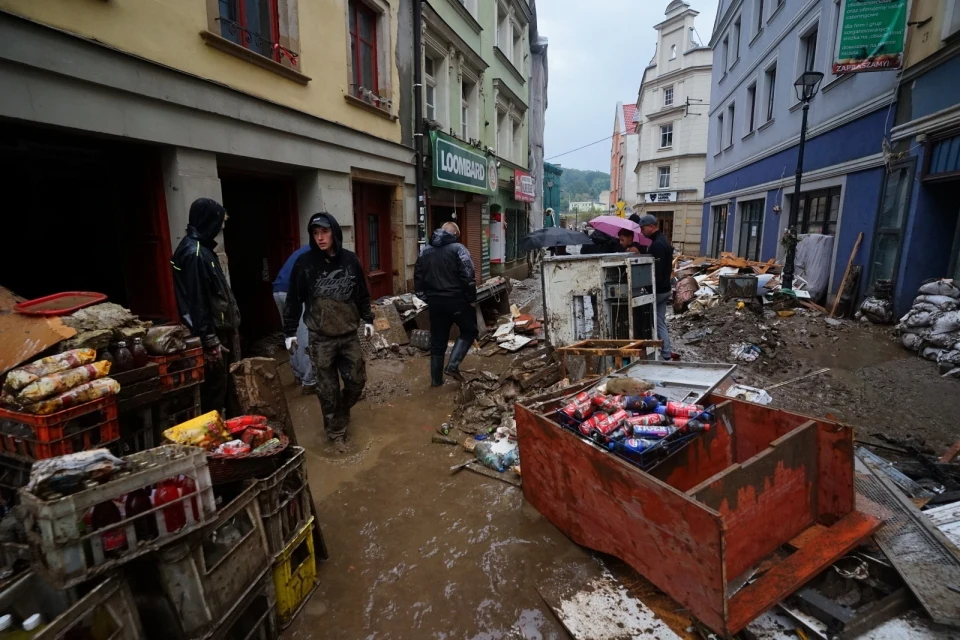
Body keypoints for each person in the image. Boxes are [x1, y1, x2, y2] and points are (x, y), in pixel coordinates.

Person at [283, 212, 374, 451]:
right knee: (327, 390)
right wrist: (290, 331)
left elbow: (362, 292)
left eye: (324, 232)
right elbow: (293, 298)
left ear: (334, 232)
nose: (320, 237)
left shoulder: (350, 260)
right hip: (320, 337)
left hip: (348, 334)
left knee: (357, 382)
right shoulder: (305, 264)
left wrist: (369, 318)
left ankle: (341, 414)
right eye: (315, 233)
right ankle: (335, 432)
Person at [171, 198, 241, 414]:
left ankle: (232, 425)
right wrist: (209, 340)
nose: (221, 228)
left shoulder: (203, 249)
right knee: (215, 388)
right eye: (219, 222)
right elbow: (196, 300)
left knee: (227, 383)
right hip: (213, 332)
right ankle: (215, 434)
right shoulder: (196, 254)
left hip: (219, 328)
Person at [414, 222, 478, 386]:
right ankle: (453, 365)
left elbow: (418, 279)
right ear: (455, 233)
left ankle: (436, 382)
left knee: (438, 342)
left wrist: (428, 299)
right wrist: (471, 298)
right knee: (469, 331)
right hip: (456, 300)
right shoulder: (458, 249)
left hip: (435, 303)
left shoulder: (424, 252)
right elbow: (468, 275)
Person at [273, 244, 316, 394]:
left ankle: (298, 375)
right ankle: (309, 381)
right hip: (293, 292)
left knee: (290, 334)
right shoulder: (319, 253)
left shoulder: (304, 249)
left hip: (278, 290)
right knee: (306, 335)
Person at [635, 214, 675, 360]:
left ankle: (654, 352)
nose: (641, 231)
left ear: (651, 227)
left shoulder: (657, 244)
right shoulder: (662, 240)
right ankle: (666, 353)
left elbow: (656, 271)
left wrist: (647, 288)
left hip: (658, 290)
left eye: (643, 228)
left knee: (647, 320)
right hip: (665, 288)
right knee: (660, 322)